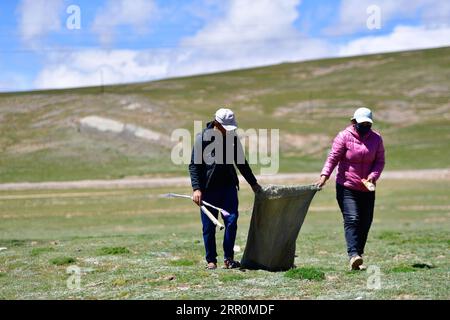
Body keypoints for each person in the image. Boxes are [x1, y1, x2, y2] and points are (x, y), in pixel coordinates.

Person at [189, 108, 262, 270]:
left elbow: (241, 163)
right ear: (216, 123)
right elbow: (194, 165)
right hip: (208, 190)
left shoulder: (232, 139)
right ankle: (211, 260)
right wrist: (196, 189)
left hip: (228, 188)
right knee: (209, 226)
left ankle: (228, 258)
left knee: (231, 221)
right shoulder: (202, 138)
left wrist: (253, 183)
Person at [315, 107, 385, 270]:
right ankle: (353, 254)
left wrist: (373, 176)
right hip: (347, 186)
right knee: (353, 219)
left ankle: (358, 256)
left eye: (368, 123)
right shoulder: (344, 136)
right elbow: (333, 158)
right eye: (362, 123)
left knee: (365, 222)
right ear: (354, 122)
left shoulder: (376, 139)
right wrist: (324, 176)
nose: (365, 126)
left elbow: (380, 161)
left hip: (367, 187)